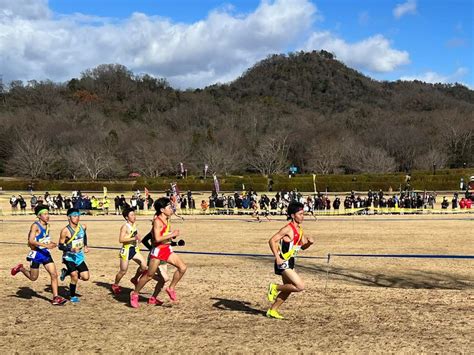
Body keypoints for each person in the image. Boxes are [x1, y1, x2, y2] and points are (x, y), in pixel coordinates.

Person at [130, 197, 187, 308]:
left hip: (167, 249)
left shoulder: (167, 218)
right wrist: (172, 234)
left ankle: (171, 288)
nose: (171, 209)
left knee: (183, 267)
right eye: (169, 207)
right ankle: (135, 294)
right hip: (158, 251)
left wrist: (171, 235)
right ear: (162, 210)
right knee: (149, 276)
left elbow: (164, 234)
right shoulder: (157, 221)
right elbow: (156, 238)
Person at [266, 202, 314, 319]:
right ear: (293, 215)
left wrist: (309, 243)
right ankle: (274, 287)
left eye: (303, 214)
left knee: (288, 288)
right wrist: (277, 257)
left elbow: (302, 247)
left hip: (291, 262)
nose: (303, 216)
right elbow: (272, 240)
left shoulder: (300, 230)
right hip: (283, 261)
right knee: (300, 286)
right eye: (300, 214)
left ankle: (272, 310)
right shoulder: (287, 229)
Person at [10, 205, 67, 305]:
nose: (47, 216)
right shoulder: (35, 226)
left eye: (48, 213)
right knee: (33, 278)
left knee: (54, 274)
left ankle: (55, 297)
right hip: (36, 254)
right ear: (39, 216)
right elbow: (31, 241)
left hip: (45, 253)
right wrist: (46, 245)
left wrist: (51, 244)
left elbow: (44, 239)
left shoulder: (48, 225)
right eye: (45, 214)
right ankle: (21, 268)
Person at [111, 208, 147, 295]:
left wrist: (138, 238)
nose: (134, 216)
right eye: (132, 215)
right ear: (127, 217)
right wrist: (133, 238)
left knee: (144, 266)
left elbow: (135, 235)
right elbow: (121, 239)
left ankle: (135, 279)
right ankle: (115, 285)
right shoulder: (124, 226)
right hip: (126, 250)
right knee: (123, 271)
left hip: (134, 249)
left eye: (134, 214)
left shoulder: (134, 225)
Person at [58, 208, 90, 303]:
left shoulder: (83, 227)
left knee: (85, 277)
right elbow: (60, 246)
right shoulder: (65, 231)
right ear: (69, 217)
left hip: (79, 256)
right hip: (69, 257)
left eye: (78, 216)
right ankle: (72, 296)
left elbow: (84, 235)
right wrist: (70, 249)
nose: (77, 218)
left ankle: (66, 272)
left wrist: (85, 246)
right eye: (75, 216)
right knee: (74, 275)